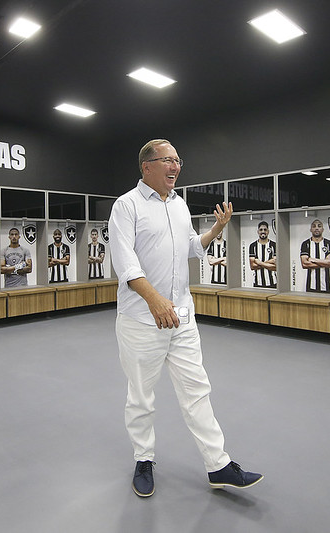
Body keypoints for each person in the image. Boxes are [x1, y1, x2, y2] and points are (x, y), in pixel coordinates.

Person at [109, 139, 262, 498]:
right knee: (142, 397)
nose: (175, 166)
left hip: (182, 317)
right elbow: (126, 264)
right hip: (141, 321)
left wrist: (215, 230)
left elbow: (192, 246)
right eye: (168, 160)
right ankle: (143, 460)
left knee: (197, 390)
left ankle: (218, 465)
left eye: (178, 160)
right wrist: (155, 301)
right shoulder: (126, 206)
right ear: (147, 167)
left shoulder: (179, 205)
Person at [300, 219, 330, 293]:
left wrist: (313, 259)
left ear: (323, 229)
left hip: (328, 287)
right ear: (311, 229)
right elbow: (304, 264)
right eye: (314, 226)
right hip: (311, 287)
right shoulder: (306, 244)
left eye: (319, 226)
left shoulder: (329, 244)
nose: (316, 228)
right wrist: (325, 262)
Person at [249, 221, 276, 288]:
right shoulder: (253, 246)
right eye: (261, 230)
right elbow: (252, 266)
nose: (263, 231)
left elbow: (275, 267)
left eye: (265, 229)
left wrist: (259, 262)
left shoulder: (274, 245)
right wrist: (270, 262)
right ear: (258, 231)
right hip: (258, 283)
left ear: (268, 231)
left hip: (272, 283)